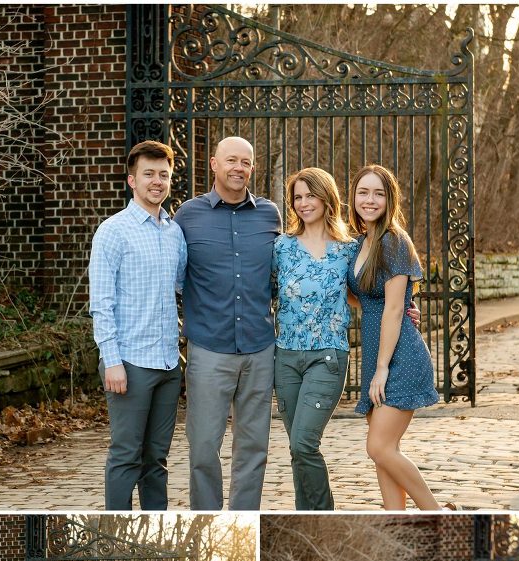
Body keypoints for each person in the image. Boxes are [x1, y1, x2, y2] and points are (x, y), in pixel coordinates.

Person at [175, 136, 282, 511]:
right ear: (214, 165)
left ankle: (245, 516)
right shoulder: (187, 215)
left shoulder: (270, 215)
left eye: (246, 162)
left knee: (253, 448)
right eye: (231, 160)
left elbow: (289, 273)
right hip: (208, 348)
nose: (239, 168)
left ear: (253, 168)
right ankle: (206, 515)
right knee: (204, 445)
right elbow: (169, 274)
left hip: (259, 345)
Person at [89, 140, 187, 511]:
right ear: (132, 180)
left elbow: (182, 288)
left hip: (166, 364)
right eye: (149, 174)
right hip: (129, 362)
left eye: (163, 174)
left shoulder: (174, 233)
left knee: (156, 460)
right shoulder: (114, 231)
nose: (157, 181)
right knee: (126, 455)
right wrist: (111, 360)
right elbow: (101, 304)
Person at [348, 164, 445, 511]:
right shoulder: (362, 242)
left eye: (378, 193)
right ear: (354, 197)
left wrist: (382, 368)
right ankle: (395, 514)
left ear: (390, 199)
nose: (370, 200)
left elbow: (391, 310)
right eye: (363, 192)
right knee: (384, 452)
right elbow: (364, 298)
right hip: (381, 355)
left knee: (379, 447)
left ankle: (435, 511)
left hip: (399, 357)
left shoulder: (393, 240)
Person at [272, 168, 357, 510]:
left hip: (328, 356)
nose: (304, 203)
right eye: (298, 197)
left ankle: (323, 512)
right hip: (286, 358)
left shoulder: (349, 250)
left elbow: (371, 292)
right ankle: (304, 511)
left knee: (305, 442)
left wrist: (407, 308)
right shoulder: (281, 247)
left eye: (310, 195)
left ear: (327, 198)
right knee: (296, 447)